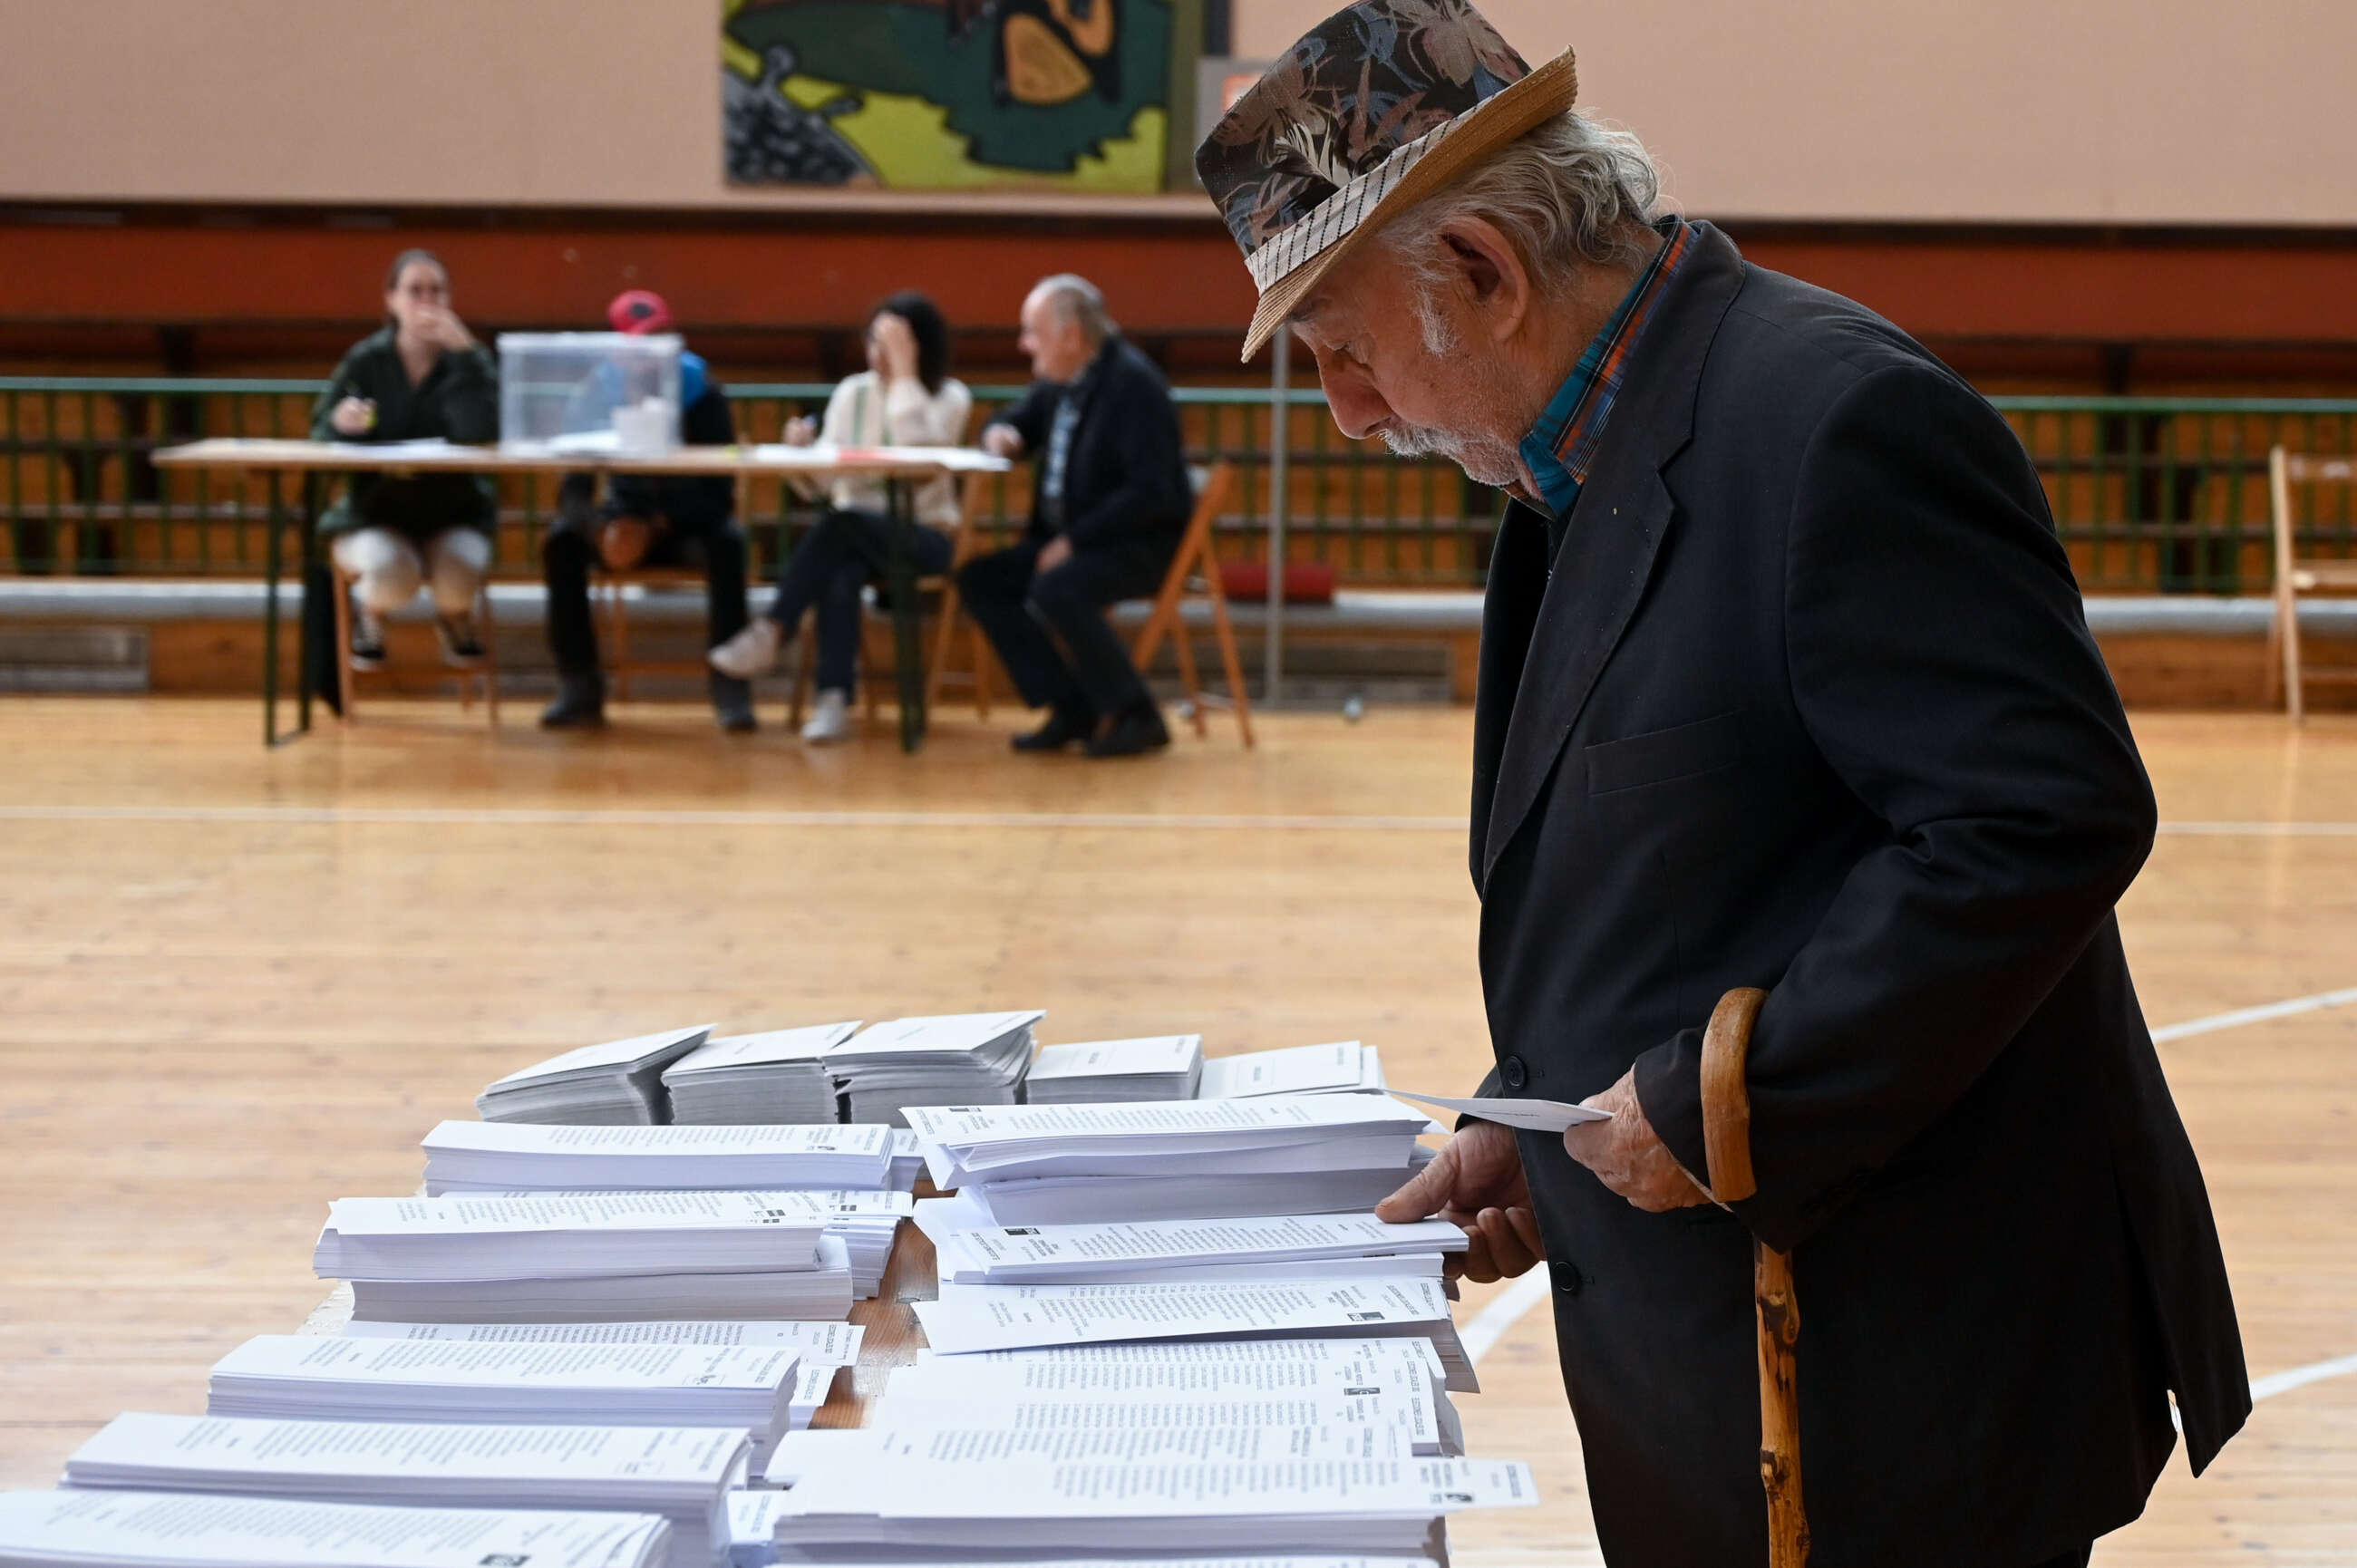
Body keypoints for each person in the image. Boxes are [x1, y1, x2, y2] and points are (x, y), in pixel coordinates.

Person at [1199, 5, 2247, 1566]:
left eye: (1347, 347)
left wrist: (1719, 1100)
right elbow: (1705, 858)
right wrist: (1541, 1123)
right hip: (1742, 1352)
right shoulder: (1583, 444)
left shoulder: (1834, 421)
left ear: (1485, 271)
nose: (1347, 408)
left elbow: (2041, 819)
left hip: (1896, 1372)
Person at [706, 292, 973, 742]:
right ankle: (833, 700)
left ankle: (773, 628)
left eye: (892, 342)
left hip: (925, 536)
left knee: (843, 524)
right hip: (854, 537)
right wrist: (803, 457)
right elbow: (824, 486)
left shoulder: (948, 397)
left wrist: (905, 374)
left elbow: (920, 462)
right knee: (841, 569)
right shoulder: (853, 393)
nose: (877, 353)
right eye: (874, 341)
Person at [958, 275, 1193, 758]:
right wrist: (1002, 434)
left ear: (1070, 336)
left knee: (1056, 586)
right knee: (981, 580)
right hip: (1070, 542)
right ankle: (1073, 707)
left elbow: (1150, 493)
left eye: (1032, 332)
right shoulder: (1060, 383)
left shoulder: (1133, 385)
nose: (1024, 345)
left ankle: (1138, 715)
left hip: (1136, 544)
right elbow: (1009, 419)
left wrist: (1074, 542)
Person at [538, 289, 755, 732]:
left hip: (689, 523)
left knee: (730, 543)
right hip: (620, 522)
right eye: (639, 345)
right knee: (560, 541)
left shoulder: (704, 394)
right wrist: (602, 531)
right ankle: (579, 685)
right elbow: (572, 491)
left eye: (660, 340)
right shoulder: (594, 395)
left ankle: (731, 684)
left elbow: (719, 490)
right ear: (616, 352)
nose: (651, 355)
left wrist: (659, 525)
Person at [308, 249, 498, 676]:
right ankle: (370, 616)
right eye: (415, 291)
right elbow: (321, 425)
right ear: (392, 300)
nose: (426, 301)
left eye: (437, 291)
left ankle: (453, 619)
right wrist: (341, 422)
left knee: (460, 574)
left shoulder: (469, 358)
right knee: (393, 573)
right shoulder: (367, 359)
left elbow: (481, 428)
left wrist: (465, 355)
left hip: (454, 512)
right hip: (373, 513)